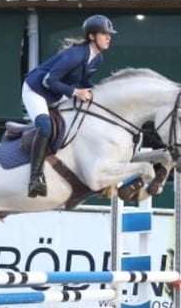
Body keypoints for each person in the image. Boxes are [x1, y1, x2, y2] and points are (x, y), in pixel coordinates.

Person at [21, 14, 117, 197]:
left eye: (109, 34)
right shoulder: (75, 55)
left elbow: (84, 82)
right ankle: (34, 178)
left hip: (56, 92)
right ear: (91, 36)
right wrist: (75, 92)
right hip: (36, 90)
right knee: (45, 126)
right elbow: (49, 81)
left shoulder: (97, 59)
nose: (109, 37)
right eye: (104, 33)